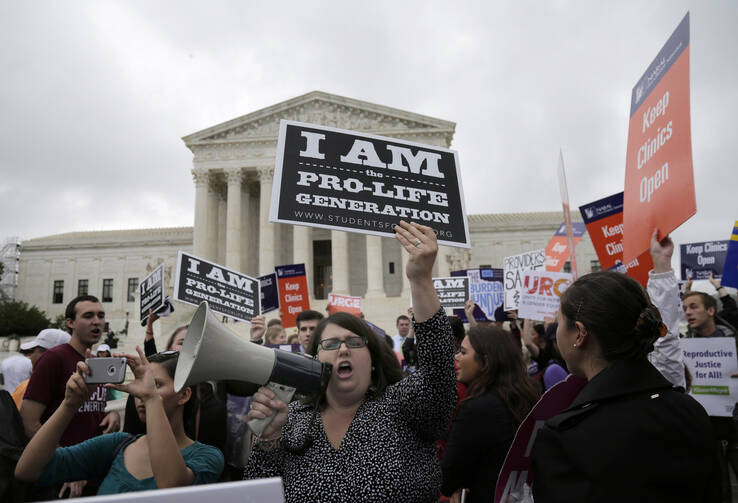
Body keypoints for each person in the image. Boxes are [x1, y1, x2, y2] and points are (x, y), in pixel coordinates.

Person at [244, 221, 457, 502]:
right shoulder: (293, 420)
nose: (343, 349)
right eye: (330, 344)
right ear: (315, 359)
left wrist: (420, 279)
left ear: (372, 359)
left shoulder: (403, 406)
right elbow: (260, 493)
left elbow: (439, 373)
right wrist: (268, 440)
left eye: (355, 342)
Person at [531, 269, 719, 502]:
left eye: (558, 322)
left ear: (579, 333)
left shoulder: (568, 436)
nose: (556, 333)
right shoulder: (691, 410)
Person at [15, 349, 223, 494]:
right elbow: (28, 470)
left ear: (184, 395)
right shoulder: (117, 444)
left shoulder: (207, 456)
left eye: (156, 384)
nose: (142, 392)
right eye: (141, 384)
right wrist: (69, 405)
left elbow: (170, 486)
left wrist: (152, 399)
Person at [21, 295, 120, 498]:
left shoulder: (94, 361)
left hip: (91, 476)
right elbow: (29, 421)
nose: (97, 321)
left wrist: (111, 414)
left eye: (101, 315)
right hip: (61, 480)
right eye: (88, 315)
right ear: (70, 323)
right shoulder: (53, 359)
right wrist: (67, 463)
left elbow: (91, 406)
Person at [441, 324, 540, 503]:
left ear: (485, 363)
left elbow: (447, 478)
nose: (456, 357)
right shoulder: (529, 397)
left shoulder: (476, 409)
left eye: (463, 352)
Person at [12, 329, 72, 409]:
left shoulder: (28, 387)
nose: (30, 357)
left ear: (45, 355)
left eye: (33, 351)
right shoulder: (79, 388)